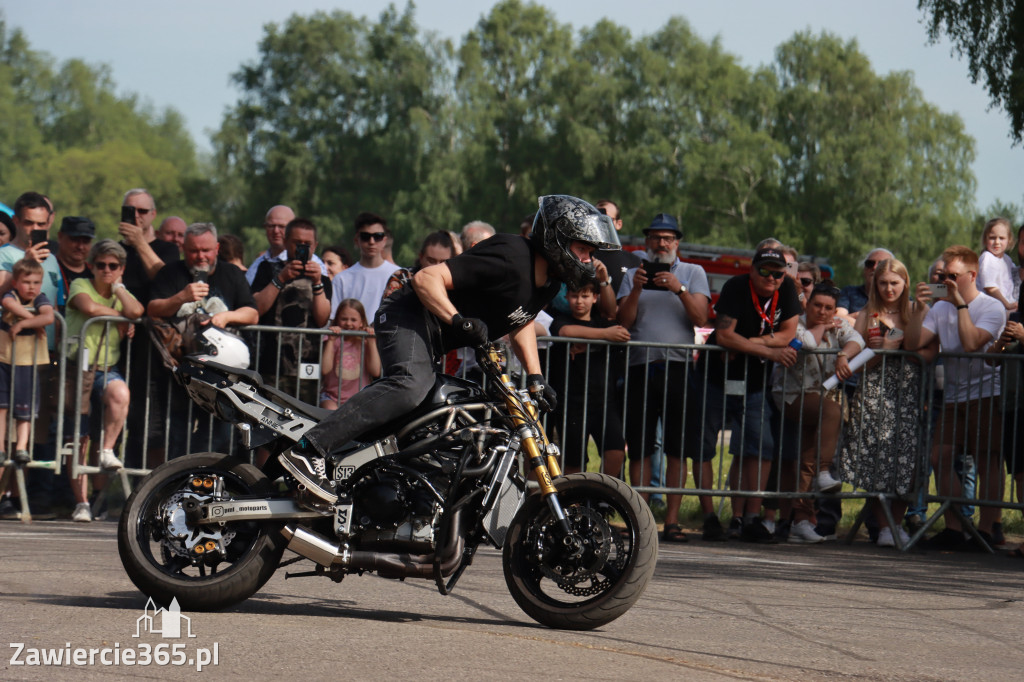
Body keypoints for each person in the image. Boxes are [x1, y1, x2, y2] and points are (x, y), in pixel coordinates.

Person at [281, 195, 620, 506]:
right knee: (410, 386)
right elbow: (426, 278)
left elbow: (521, 321)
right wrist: (457, 320)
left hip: (434, 335)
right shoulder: (510, 255)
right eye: (584, 248)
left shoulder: (550, 280)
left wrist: (535, 376)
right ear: (557, 239)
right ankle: (309, 448)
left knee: (443, 411)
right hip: (406, 316)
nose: (589, 259)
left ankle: (364, 480)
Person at [690, 246, 801, 543]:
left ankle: (751, 518)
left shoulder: (787, 287)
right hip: (715, 377)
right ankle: (710, 517)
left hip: (754, 382)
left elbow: (789, 333)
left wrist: (750, 342)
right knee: (704, 447)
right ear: (752, 269)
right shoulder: (736, 286)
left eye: (778, 273)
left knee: (761, 446)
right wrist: (768, 350)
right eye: (764, 270)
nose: (772, 277)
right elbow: (724, 335)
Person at [617, 213, 713, 542]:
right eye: (656, 237)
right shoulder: (633, 274)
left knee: (676, 448)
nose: (662, 243)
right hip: (641, 366)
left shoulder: (693, 272)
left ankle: (672, 520)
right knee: (640, 446)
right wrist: (637, 290)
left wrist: (680, 289)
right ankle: (640, 519)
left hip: (679, 367)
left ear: (677, 243)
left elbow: (701, 317)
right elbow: (623, 323)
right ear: (646, 242)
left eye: (668, 238)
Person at [905, 245, 1007, 549]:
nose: (946, 280)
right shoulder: (939, 308)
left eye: (953, 275)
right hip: (953, 397)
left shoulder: (991, 307)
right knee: (940, 456)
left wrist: (960, 304)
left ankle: (986, 530)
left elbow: (972, 342)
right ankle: (956, 526)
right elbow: (913, 343)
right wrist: (919, 308)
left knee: (987, 462)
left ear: (972, 275)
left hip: (988, 393)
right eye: (943, 275)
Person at [837, 259, 929, 547]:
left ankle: (896, 522)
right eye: (883, 283)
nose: (889, 288)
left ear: (905, 283)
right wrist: (884, 351)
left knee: (905, 461)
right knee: (877, 461)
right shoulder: (867, 314)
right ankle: (885, 526)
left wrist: (920, 312)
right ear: (875, 284)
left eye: (894, 282)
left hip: (908, 395)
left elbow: (915, 346)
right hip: (874, 393)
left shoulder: (915, 310)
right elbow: (860, 363)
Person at [149, 223, 258, 458]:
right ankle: (176, 481)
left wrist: (227, 316)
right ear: (183, 249)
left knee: (220, 435)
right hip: (180, 373)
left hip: (220, 376)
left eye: (206, 250)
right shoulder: (171, 273)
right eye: (193, 251)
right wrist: (181, 297)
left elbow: (252, 313)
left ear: (217, 248)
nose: (200, 256)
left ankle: (203, 476)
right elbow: (153, 308)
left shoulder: (231, 274)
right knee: (177, 433)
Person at [772, 282, 863, 543]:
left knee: (808, 456)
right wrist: (822, 327)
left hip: (818, 396)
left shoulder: (839, 324)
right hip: (790, 395)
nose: (822, 312)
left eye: (828, 308)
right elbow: (806, 343)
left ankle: (801, 520)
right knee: (833, 411)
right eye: (817, 306)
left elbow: (858, 339)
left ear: (835, 309)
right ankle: (825, 472)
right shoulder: (796, 323)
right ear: (808, 304)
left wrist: (844, 355)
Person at [65, 240, 144, 522]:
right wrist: (122, 315)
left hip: (107, 368)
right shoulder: (80, 285)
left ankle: (109, 450)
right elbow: (90, 309)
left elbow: (138, 312)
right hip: (78, 367)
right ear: (92, 266)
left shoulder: (119, 293)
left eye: (113, 266)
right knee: (80, 437)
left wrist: (120, 289)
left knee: (120, 394)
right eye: (101, 265)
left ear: (121, 269)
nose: (106, 271)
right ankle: (82, 503)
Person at [548, 279, 629, 476]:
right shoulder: (561, 320)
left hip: (603, 402)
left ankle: (604, 498)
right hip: (572, 402)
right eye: (574, 296)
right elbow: (566, 331)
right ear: (566, 297)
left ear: (595, 298)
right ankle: (573, 502)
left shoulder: (603, 322)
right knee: (573, 461)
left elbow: (622, 333)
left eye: (584, 296)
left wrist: (589, 339)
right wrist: (603, 335)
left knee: (616, 452)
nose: (579, 301)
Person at [250, 218, 331, 404]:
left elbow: (322, 319)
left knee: (304, 421)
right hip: (271, 363)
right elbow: (257, 309)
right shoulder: (267, 268)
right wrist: (280, 278)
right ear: (286, 242)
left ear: (315, 245)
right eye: (296, 243)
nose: (302, 248)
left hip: (307, 365)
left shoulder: (323, 278)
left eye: (307, 244)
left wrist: (318, 283)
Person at [0, 259, 54, 466]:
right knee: (1, 407)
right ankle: (1, 448)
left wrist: (23, 323)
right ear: (15, 282)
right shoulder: (10, 295)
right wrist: (31, 320)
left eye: (36, 282)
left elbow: (48, 317)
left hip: (27, 363)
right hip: (4, 358)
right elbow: (7, 304)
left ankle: (21, 447)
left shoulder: (41, 299)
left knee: (26, 409)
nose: (32, 287)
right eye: (26, 282)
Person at [330, 212, 401, 323]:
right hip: (351, 339)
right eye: (365, 237)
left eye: (377, 236)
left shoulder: (398, 275)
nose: (371, 242)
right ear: (356, 240)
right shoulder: (341, 279)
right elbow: (334, 317)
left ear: (384, 241)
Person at [319, 299, 380, 410]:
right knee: (330, 414)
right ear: (337, 319)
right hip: (331, 397)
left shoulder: (365, 341)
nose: (348, 323)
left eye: (353, 320)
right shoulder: (333, 339)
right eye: (344, 319)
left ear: (361, 322)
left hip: (359, 398)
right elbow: (324, 369)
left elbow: (375, 371)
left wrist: (371, 343)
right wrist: (331, 341)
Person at [382, 231, 457, 299]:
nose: (437, 267)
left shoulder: (457, 285)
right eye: (431, 261)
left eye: (443, 262)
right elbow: (386, 311)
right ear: (421, 257)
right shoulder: (402, 278)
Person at [837, 248, 896, 325]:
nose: (874, 267)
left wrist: (856, 318)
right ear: (864, 269)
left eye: (882, 264)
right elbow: (838, 317)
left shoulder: (901, 298)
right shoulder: (849, 292)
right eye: (870, 263)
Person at [977, 217, 1018, 312]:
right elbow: (990, 288)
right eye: (992, 238)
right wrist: (1007, 305)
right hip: (989, 307)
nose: (997, 242)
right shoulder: (987, 258)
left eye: (1001, 238)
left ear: (1009, 240)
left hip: (1004, 306)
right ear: (985, 240)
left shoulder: (1007, 260)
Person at [54, 217, 95, 313]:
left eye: (86, 241)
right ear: (60, 237)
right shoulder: (48, 268)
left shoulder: (96, 272)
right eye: (74, 240)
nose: (80, 246)